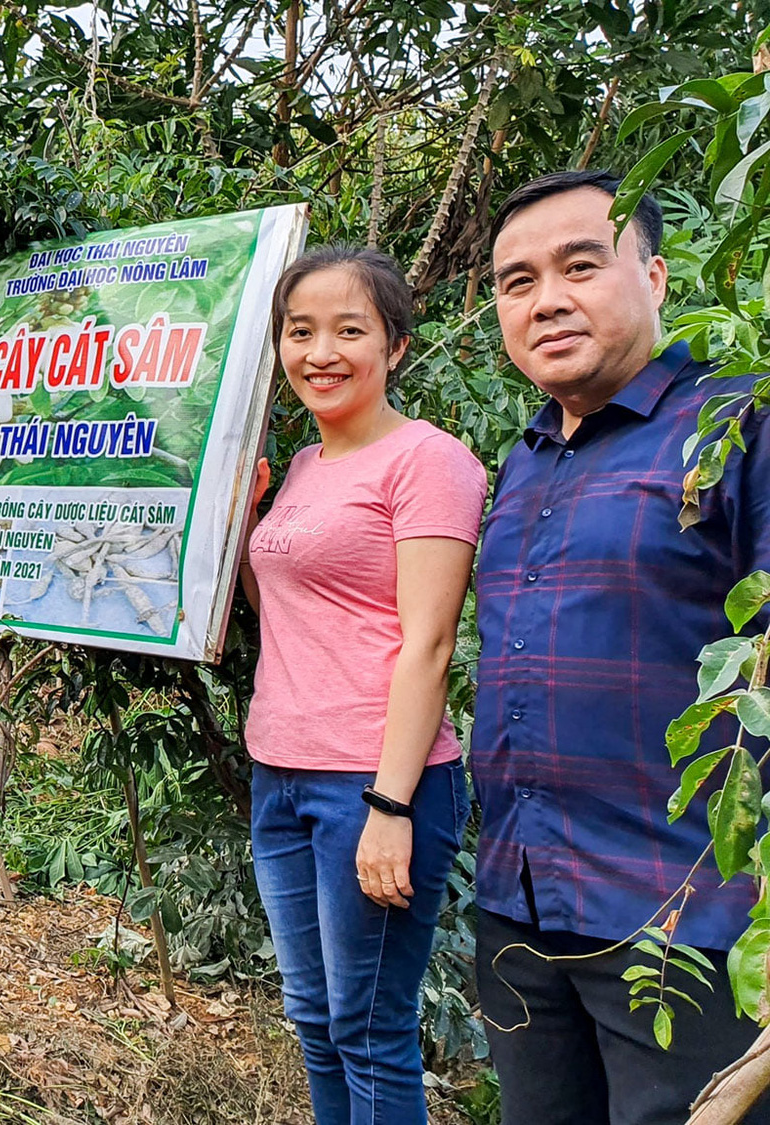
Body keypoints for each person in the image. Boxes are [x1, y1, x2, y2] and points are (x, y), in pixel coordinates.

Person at [473, 170, 770, 1125]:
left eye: (579, 266)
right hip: (521, 909)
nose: (547, 299)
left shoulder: (737, 427)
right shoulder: (523, 460)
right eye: (518, 282)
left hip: (687, 924)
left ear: (655, 275)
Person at [240, 247, 486, 1122]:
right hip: (281, 769)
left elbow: (430, 641)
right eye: (300, 331)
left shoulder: (428, 460)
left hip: (374, 780)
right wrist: (238, 525)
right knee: (313, 1016)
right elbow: (280, 608)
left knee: (369, 1026)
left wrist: (391, 806)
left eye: (350, 330)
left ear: (397, 347)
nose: (321, 351)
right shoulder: (303, 468)